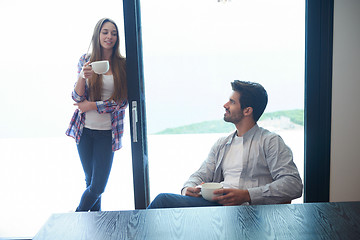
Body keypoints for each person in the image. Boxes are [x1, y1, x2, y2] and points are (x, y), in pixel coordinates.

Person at [147, 80, 303, 209]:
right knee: (165, 205)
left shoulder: (270, 141)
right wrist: (188, 188)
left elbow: (293, 184)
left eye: (232, 102)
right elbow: (201, 174)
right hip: (218, 208)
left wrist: (247, 194)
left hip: (254, 211)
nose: (225, 105)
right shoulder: (222, 144)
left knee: (163, 201)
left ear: (247, 110)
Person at [66, 18, 127, 212]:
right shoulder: (86, 60)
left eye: (114, 33)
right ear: (97, 35)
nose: (109, 36)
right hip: (84, 132)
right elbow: (76, 97)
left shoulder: (123, 65)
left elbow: (121, 102)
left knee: (98, 186)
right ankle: (95, 228)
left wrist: (91, 105)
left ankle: (76, 218)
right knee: (90, 183)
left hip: (106, 133)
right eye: (105, 32)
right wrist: (82, 76)